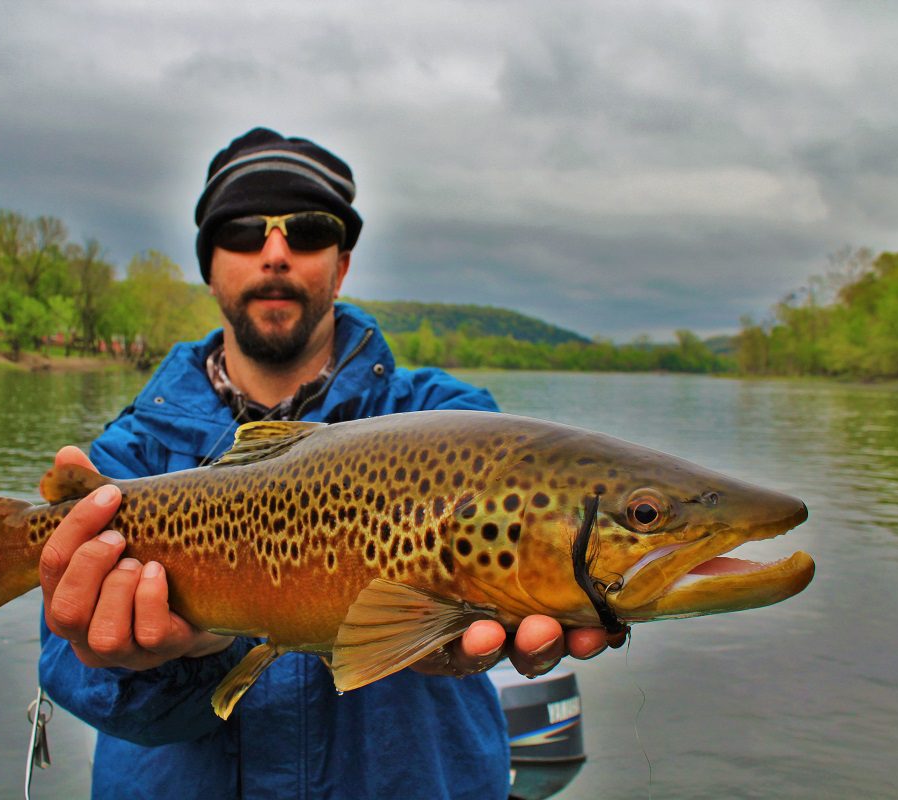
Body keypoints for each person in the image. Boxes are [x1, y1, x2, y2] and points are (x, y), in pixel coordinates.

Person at [38, 128, 617, 799]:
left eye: (309, 231)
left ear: (341, 266)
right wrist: (176, 654)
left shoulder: (454, 425)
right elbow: (72, 674)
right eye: (244, 230)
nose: (275, 253)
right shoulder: (130, 459)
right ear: (210, 264)